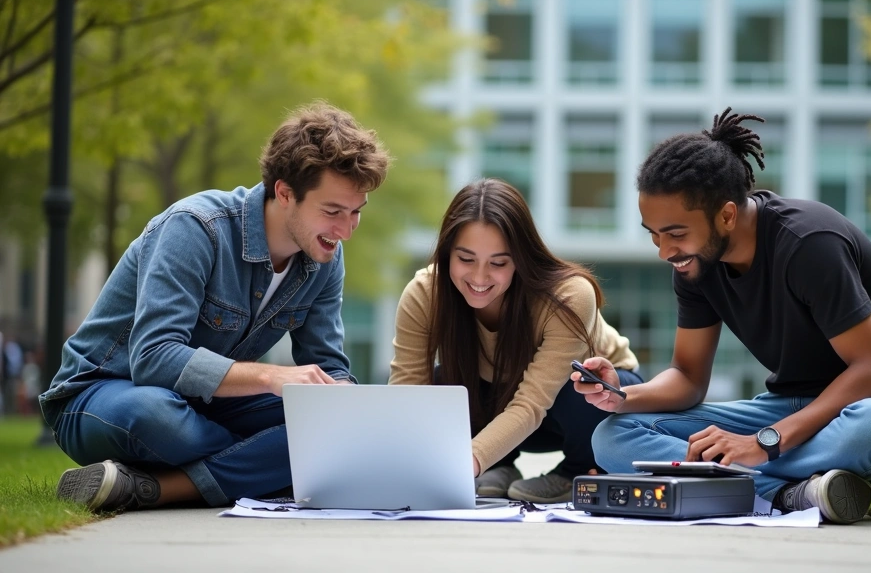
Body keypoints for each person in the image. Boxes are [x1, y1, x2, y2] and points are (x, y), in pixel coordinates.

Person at [576, 108, 871, 524]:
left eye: (675, 234)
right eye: (654, 235)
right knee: (614, 437)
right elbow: (689, 378)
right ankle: (793, 495)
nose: (664, 251)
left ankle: (741, 483)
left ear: (727, 215)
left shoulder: (808, 243)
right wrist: (621, 395)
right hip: (786, 407)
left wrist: (764, 442)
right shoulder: (694, 266)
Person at [39, 102, 391, 513]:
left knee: (339, 422)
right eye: (332, 211)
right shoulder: (195, 227)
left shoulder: (325, 255)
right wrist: (270, 379)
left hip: (209, 405)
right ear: (284, 193)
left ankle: (157, 486)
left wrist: (344, 402)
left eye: (356, 214)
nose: (345, 230)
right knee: (157, 414)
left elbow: (327, 366)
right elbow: (153, 358)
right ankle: (270, 468)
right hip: (105, 393)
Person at [389, 179, 642, 503]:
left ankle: (575, 472)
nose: (479, 278)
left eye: (498, 263)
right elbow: (407, 391)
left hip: (585, 406)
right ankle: (501, 465)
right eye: (466, 259)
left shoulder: (569, 296)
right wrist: (400, 463)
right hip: (496, 402)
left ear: (521, 258)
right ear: (447, 253)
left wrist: (465, 461)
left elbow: (531, 403)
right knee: (441, 381)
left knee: (581, 383)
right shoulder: (425, 292)